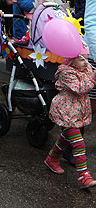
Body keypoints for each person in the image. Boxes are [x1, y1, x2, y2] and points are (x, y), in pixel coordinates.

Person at [44, 52, 96, 188]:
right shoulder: (65, 72)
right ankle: (84, 176)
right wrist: (93, 79)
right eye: (81, 59)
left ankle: (52, 158)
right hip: (66, 111)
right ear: (72, 61)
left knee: (66, 137)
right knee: (78, 142)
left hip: (77, 111)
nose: (85, 62)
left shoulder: (86, 68)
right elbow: (79, 89)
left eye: (87, 58)